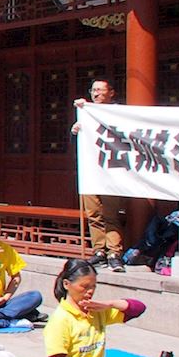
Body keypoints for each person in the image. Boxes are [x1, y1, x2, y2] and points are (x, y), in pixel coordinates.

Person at [72, 78, 127, 272]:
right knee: (93, 214)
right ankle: (99, 251)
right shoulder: (87, 113)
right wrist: (76, 130)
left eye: (100, 90)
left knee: (111, 214)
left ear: (111, 92)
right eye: (93, 90)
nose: (96, 93)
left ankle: (114, 252)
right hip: (91, 171)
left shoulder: (118, 112)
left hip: (111, 171)